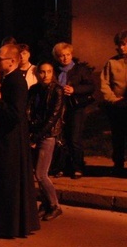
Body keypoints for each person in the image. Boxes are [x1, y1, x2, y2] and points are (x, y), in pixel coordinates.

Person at [0, 44, 40, 238]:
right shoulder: (10, 79)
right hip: (8, 139)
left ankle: (8, 226)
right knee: (9, 183)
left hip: (10, 142)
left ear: (12, 61)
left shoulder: (16, 81)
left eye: (0, 58)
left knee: (8, 183)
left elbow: (16, 114)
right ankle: (11, 225)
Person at [27, 60, 65, 221]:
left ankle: (55, 205)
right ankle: (46, 204)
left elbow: (53, 116)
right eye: (42, 72)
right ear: (37, 74)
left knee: (41, 173)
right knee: (37, 172)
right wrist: (30, 128)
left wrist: (38, 135)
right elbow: (28, 110)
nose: (45, 75)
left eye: (49, 72)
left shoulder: (57, 90)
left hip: (48, 134)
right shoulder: (34, 89)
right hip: (34, 132)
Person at [53, 42, 95, 179]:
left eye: (68, 55)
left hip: (76, 107)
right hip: (60, 108)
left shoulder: (80, 70)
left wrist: (74, 89)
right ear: (57, 57)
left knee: (74, 138)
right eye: (61, 56)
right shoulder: (55, 70)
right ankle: (62, 167)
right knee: (61, 138)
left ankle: (78, 167)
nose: (65, 58)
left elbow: (90, 86)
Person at [99, 30, 127, 177]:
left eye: (125, 44)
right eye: (120, 44)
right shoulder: (112, 62)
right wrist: (113, 99)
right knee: (118, 137)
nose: (122, 47)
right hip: (116, 107)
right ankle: (118, 165)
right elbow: (104, 83)